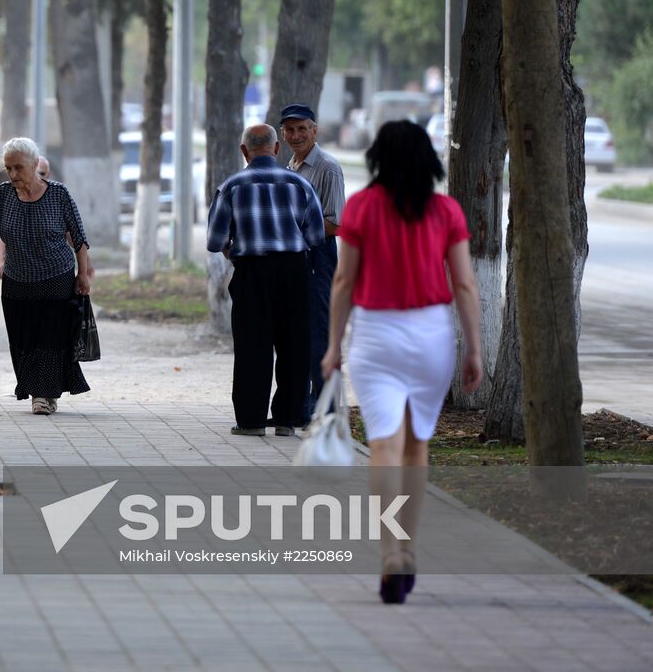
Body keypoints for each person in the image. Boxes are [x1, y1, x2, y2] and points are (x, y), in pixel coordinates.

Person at [321, 120, 482, 604]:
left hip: (376, 334)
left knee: (384, 446)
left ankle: (390, 551)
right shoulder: (445, 210)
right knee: (417, 447)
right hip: (431, 332)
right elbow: (466, 285)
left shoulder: (362, 208)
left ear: (378, 158)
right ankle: (408, 550)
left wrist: (333, 346)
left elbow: (343, 282)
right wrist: (474, 348)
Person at [0, 138, 93, 415]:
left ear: (34, 165)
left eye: (19, 168)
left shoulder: (58, 195)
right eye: (8, 168)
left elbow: (78, 238)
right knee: (23, 339)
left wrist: (83, 274)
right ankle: (38, 390)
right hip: (17, 281)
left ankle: (43, 395)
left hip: (56, 277)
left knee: (49, 338)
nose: (14, 174)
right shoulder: (4, 195)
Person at [206, 124, 325, 437]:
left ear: (245, 151)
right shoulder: (300, 185)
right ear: (276, 149)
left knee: (251, 347)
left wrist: (234, 250)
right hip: (294, 274)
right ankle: (287, 420)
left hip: (251, 273)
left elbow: (215, 240)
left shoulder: (231, 187)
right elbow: (315, 236)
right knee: (295, 347)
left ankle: (251, 421)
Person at [279, 103, 346, 417]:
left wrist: (293, 228)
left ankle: (326, 410)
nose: (296, 135)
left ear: (315, 130)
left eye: (302, 129)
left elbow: (336, 223)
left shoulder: (327, 167)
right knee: (300, 333)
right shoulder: (291, 166)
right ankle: (306, 406)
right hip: (296, 257)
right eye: (290, 130)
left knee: (318, 333)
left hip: (319, 255)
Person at [0, 156, 54, 279]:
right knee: (6, 235)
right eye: (9, 169)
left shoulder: (55, 194)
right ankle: (3, 262)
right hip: (4, 209)